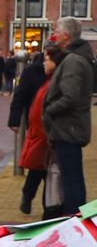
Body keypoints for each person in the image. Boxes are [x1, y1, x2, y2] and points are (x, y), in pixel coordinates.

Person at [42, 17, 95, 215]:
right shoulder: (78, 57)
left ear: (66, 35)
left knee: (71, 179)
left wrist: (49, 110)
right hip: (71, 127)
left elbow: (70, 97)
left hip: (68, 128)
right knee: (74, 177)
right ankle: (81, 219)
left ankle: (74, 221)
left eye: (56, 30)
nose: (53, 34)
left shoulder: (73, 60)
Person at [19, 46, 64, 216]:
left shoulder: (53, 82)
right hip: (40, 132)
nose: (44, 61)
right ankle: (40, 203)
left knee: (46, 171)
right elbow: (21, 95)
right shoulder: (45, 79)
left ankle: (47, 209)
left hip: (46, 133)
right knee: (42, 169)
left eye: (47, 59)